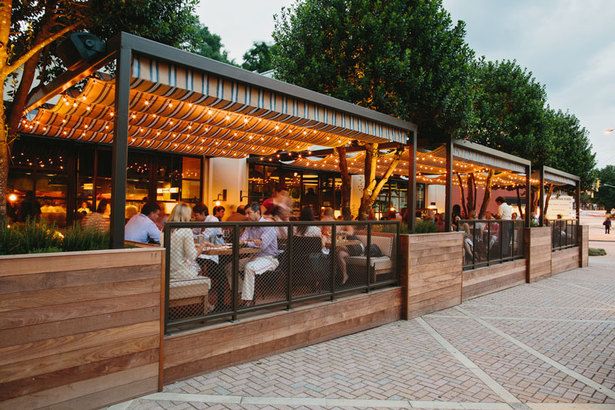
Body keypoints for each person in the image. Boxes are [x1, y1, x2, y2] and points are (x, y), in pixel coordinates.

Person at [235, 203, 279, 305]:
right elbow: (241, 240)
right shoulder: (250, 226)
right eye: (245, 213)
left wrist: (248, 242)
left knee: (249, 267)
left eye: (248, 213)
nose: (246, 216)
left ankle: (247, 301)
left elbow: (262, 245)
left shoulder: (268, 226)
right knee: (230, 267)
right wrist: (252, 241)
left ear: (257, 212)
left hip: (269, 258)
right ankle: (242, 291)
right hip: (254, 257)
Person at [167, 203, 210, 285]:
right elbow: (192, 256)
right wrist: (203, 245)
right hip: (181, 273)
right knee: (199, 269)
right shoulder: (186, 230)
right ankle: (197, 296)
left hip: (167, 271)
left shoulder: (165, 229)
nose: (191, 217)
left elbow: (177, 246)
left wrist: (194, 245)